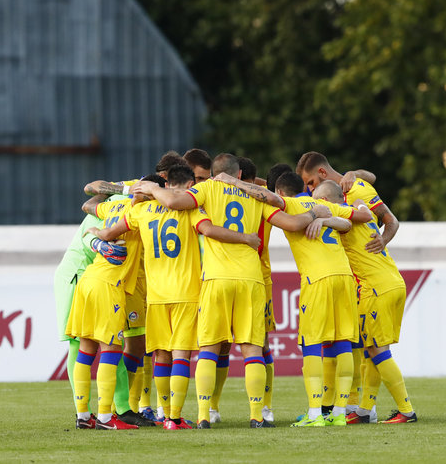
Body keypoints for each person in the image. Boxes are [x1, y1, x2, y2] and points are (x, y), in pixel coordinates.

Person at [133, 153, 331, 428]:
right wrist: (314, 213)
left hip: (216, 279)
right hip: (251, 279)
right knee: (252, 350)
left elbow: (174, 201)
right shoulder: (255, 196)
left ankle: (204, 415)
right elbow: (293, 223)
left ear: (213, 173)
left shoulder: (206, 189)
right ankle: (257, 416)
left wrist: (154, 188)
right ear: (239, 175)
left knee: (209, 350)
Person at [88, 165, 260, 430]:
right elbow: (210, 230)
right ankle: (174, 418)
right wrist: (247, 238)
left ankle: (162, 412)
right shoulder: (190, 210)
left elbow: (108, 232)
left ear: (166, 186)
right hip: (187, 293)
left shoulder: (141, 211)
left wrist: (96, 238)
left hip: (155, 296)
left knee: (161, 357)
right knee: (181, 356)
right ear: (190, 184)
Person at [216, 170, 371, 427]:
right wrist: (326, 219)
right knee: (343, 342)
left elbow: (269, 199)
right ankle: (340, 413)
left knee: (311, 344)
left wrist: (232, 181)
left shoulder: (294, 203)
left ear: (280, 192)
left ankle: (314, 415)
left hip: (318, 279)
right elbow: (348, 222)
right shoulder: (323, 204)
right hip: (344, 277)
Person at [312, 179, 417, 424]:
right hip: (393, 282)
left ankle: (406, 410)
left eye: (317, 202)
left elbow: (346, 221)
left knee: (377, 350)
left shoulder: (342, 214)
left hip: (376, 288)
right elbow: (360, 208)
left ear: (325, 202)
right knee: (372, 349)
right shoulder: (358, 205)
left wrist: (323, 219)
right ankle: (365, 409)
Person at [66, 175, 165, 430]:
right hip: (109, 286)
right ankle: (107, 418)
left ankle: (83, 416)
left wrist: (119, 190)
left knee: (86, 350)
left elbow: (88, 204)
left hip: (88, 281)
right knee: (110, 351)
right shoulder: (142, 212)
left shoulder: (113, 205)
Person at [208, 157, 278, 424]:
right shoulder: (262, 199)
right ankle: (264, 409)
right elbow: (275, 194)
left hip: (223, 276)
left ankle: (211, 409)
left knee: (219, 346)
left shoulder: (214, 195)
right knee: (259, 346)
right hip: (258, 279)